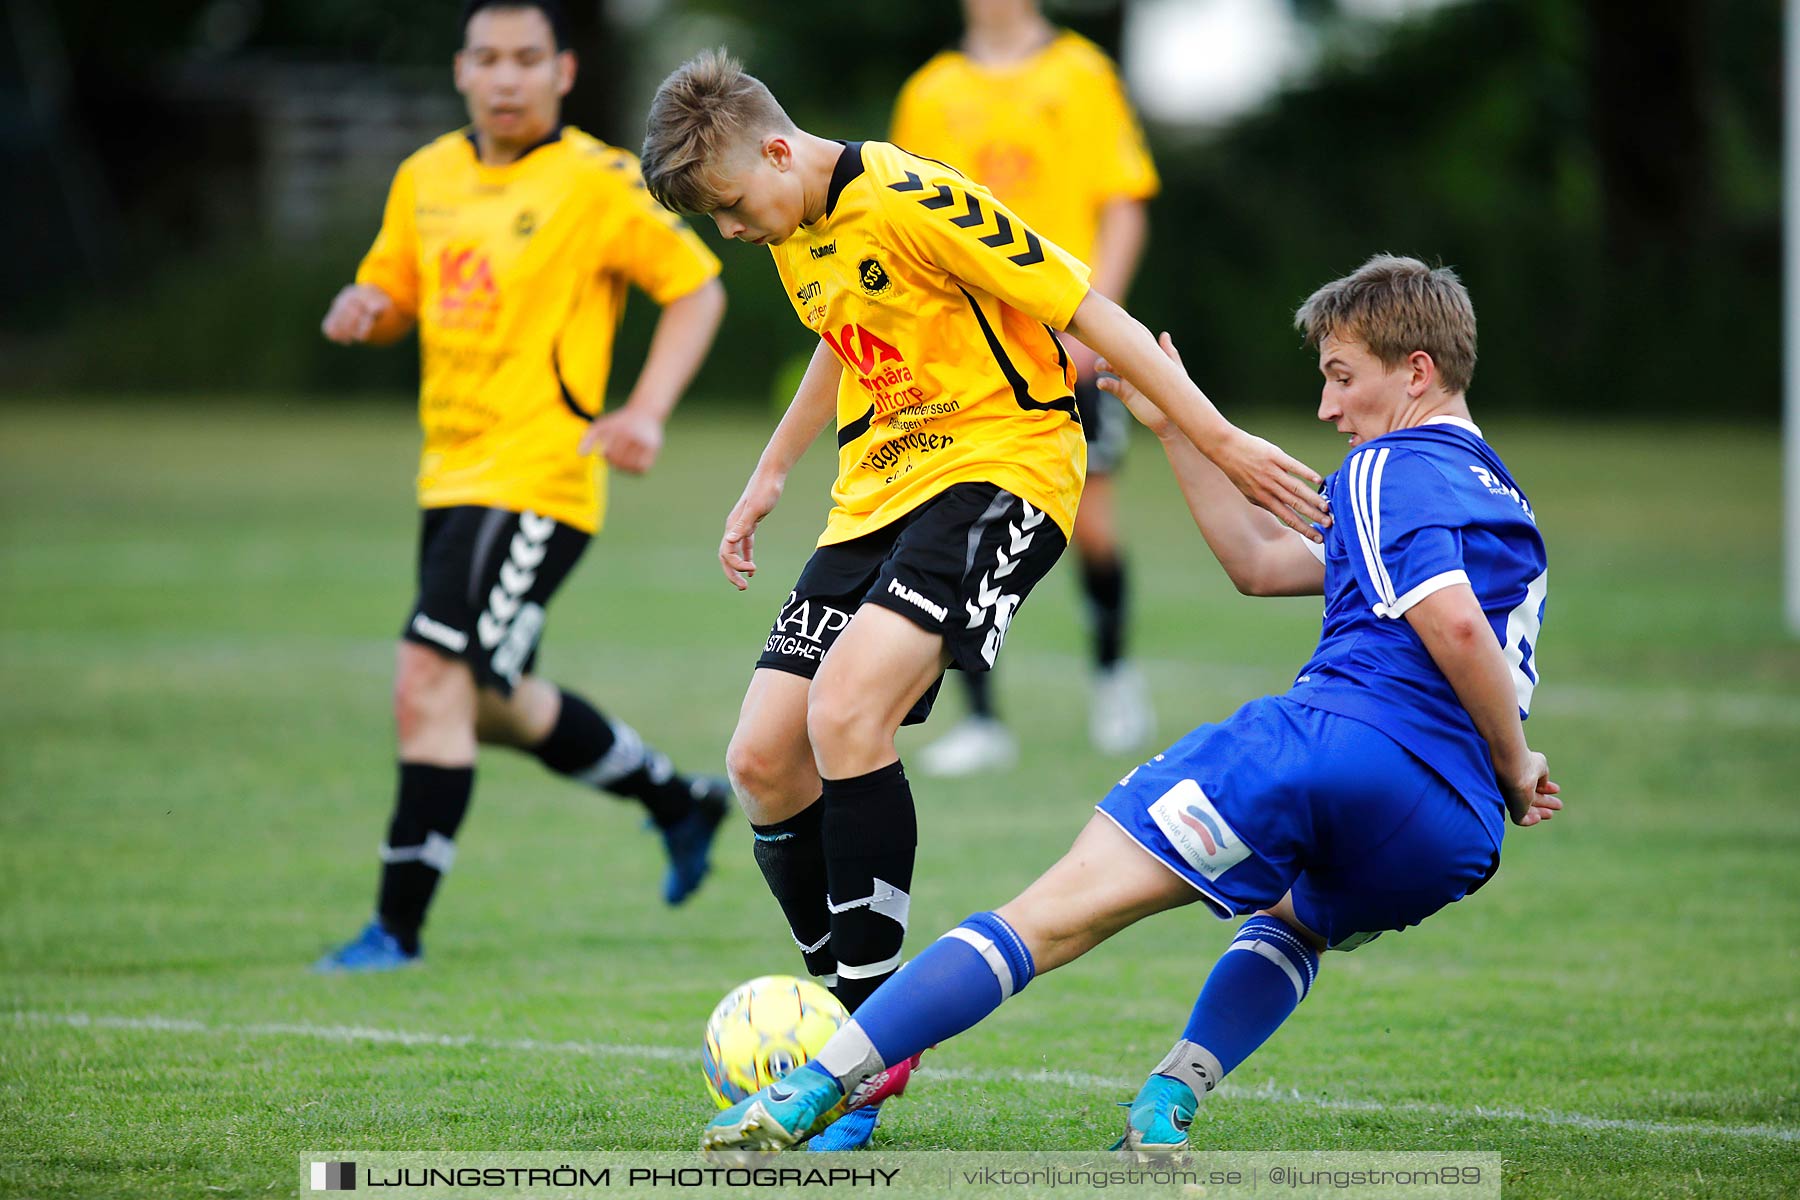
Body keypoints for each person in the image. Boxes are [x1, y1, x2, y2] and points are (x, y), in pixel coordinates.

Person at [699, 255, 1560, 1154]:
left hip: (1327, 747)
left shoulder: (1390, 464)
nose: (1328, 409)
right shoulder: (1501, 499)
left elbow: (1452, 625)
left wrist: (1517, 759)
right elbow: (1262, 567)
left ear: (1417, 371)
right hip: (1450, 832)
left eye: (1342, 379)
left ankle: (815, 1087)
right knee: (1296, 926)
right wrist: (1176, 424)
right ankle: (1169, 1099)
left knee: (1048, 918)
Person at [641, 50, 1326, 1149]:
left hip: (1004, 469)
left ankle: (853, 1063)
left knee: (846, 712)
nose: (733, 231)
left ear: (776, 148)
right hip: (875, 493)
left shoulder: (917, 197)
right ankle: (867, 1026)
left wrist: (1220, 437)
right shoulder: (791, 225)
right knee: (764, 758)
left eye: (729, 207)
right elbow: (839, 335)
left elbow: (1089, 310)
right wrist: (771, 471)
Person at [313, 0, 731, 973]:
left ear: (565, 72)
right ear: (461, 69)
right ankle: (681, 801)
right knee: (486, 703)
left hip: (541, 479)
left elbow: (697, 289)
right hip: (449, 478)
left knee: (428, 679)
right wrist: (365, 309)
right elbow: (396, 298)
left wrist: (646, 411)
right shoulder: (426, 175)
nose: (507, 77)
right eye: (489, 58)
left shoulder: (598, 181)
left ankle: (395, 932)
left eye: (527, 58)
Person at [892, 0, 1162, 773]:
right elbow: (896, 219)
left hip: (1066, 338)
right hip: (967, 351)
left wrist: (1091, 321)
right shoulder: (931, 90)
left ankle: (1113, 678)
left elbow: (1123, 204)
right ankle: (980, 717)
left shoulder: (1081, 73)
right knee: (954, 520)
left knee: (1093, 524)